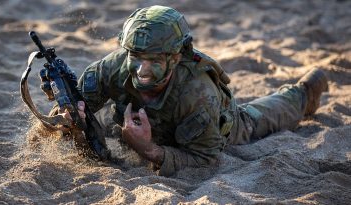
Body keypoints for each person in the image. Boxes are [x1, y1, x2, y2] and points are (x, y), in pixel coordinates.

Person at [49, 5, 328, 176]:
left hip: (210, 130)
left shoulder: (199, 94)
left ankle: (306, 92)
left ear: (175, 57)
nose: (141, 69)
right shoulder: (115, 66)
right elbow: (75, 105)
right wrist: (71, 113)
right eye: (135, 56)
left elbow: (206, 157)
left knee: (255, 119)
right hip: (142, 123)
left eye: (155, 60)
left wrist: (149, 150)